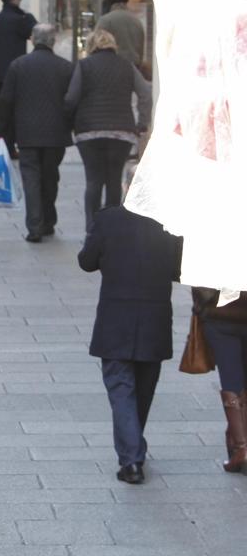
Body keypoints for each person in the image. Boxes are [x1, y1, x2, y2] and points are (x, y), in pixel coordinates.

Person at [78, 206, 182, 485]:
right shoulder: (170, 220)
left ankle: (131, 458)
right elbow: (178, 270)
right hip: (155, 320)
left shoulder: (108, 219)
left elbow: (86, 262)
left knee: (122, 391)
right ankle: (133, 450)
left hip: (116, 321)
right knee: (143, 390)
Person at [63, 29, 151, 234]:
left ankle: (92, 229)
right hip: (121, 131)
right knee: (113, 180)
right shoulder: (127, 66)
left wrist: (70, 121)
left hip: (89, 131)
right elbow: (145, 93)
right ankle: (111, 229)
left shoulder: (84, 66)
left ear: (91, 46)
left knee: (93, 181)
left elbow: (71, 98)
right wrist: (142, 122)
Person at [0, 24, 73, 242]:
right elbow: (72, 101)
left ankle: (35, 225)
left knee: (31, 178)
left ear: (32, 40)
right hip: (56, 134)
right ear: (53, 41)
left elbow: (6, 100)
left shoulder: (19, 65)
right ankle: (48, 220)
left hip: (27, 133)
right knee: (50, 177)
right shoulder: (66, 67)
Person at [194, 289, 247, 474]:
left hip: (220, 316)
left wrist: (201, 306)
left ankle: (242, 448)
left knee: (231, 379)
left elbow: (203, 287)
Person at [0, 0, 38, 140]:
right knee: (15, 111)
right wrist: (27, 16)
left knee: (2, 111)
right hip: (15, 72)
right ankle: (11, 144)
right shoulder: (20, 20)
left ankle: (2, 141)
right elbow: (36, 33)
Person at [96, 0, 145, 74]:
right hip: (133, 76)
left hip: (110, 75)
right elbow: (140, 54)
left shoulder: (105, 21)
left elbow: (96, 55)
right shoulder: (137, 22)